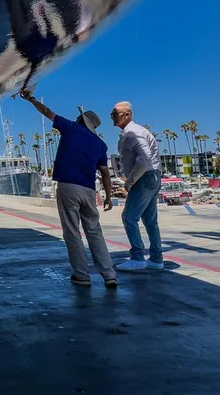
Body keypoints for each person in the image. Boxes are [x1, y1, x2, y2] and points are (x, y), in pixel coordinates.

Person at [21, 90, 117, 288]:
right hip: (90, 190)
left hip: (68, 187)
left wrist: (30, 98)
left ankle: (82, 275)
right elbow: (106, 173)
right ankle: (109, 275)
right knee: (94, 231)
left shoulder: (71, 128)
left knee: (72, 232)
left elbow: (47, 112)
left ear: (82, 120)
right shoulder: (100, 144)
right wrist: (108, 197)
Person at [111, 101, 163, 271]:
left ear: (127, 115)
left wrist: (130, 181)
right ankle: (156, 259)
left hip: (144, 177)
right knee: (149, 220)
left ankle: (137, 257)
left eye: (115, 113)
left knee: (129, 217)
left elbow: (144, 159)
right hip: (153, 176)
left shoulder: (133, 133)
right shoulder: (136, 131)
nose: (112, 116)